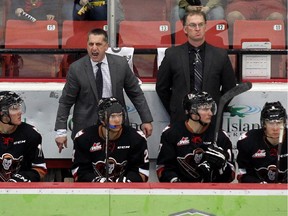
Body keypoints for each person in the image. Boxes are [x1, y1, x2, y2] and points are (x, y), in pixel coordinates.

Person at [55, 28, 153, 153]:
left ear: (106, 46)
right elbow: (66, 101)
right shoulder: (76, 68)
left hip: (115, 124)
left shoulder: (121, 64)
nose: (94, 48)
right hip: (87, 126)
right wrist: (61, 131)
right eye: (91, 44)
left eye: (98, 44)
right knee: (87, 167)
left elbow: (136, 93)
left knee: (117, 161)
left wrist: (146, 120)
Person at [156, 10, 236, 125]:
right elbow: (162, 87)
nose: (197, 28)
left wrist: (216, 108)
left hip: (211, 118)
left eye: (201, 24)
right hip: (181, 118)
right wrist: (175, 108)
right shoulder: (172, 54)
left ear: (205, 27)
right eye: (193, 25)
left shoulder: (220, 55)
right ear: (185, 29)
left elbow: (230, 88)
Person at [156, 91, 235, 183]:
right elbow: (163, 167)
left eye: (211, 108)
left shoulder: (221, 136)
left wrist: (222, 167)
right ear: (191, 111)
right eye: (205, 109)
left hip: (212, 192)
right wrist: (175, 183)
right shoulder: (171, 133)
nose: (210, 113)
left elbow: (231, 175)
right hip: (179, 193)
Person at [71, 97, 149, 182]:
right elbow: (79, 173)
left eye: (120, 115)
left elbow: (142, 173)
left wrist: (126, 181)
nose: (118, 120)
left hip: (126, 192)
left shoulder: (136, 138)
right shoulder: (83, 138)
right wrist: (97, 182)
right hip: (93, 192)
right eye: (112, 116)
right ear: (102, 119)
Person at [0, 91, 47, 182]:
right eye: (14, 108)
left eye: (19, 108)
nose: (20, 112)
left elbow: (40, 170)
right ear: (2, 113)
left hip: (22, 194)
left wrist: (20, 180)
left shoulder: (31, 134)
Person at [236, 101, 287, 183]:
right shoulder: (248, 141)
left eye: (279, 123)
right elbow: (243, 175)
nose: (275, 128)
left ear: (284, 123)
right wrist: (258, 185)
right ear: (263, 124)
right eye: (270, 123)